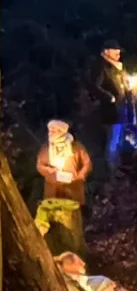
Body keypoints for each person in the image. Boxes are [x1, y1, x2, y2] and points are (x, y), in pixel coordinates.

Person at [91, 42, 131, 172]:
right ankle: (111, 171)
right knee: (112, 141)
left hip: (122, 108)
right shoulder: (102, 67)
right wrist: (109, 97)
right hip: (110, 111)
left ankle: (118, 168)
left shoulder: (119, 68)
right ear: (107, 51)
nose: (118, 54)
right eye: (116, 51)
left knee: (119, 139)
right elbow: (95, 86)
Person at [36, 120, 92, 207]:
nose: (50, 134)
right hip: (53, 189)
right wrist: (49, 170)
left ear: (61, 132)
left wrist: (80, 175)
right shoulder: (46, 148)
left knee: (72, 214)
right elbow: (40, 165)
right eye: (50, 131)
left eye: (53, 131)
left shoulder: (76, 147)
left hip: (73, 188)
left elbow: (87, 164)